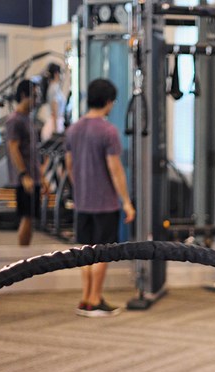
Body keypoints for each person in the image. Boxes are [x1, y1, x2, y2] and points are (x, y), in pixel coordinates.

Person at [64, 78, 135, 317]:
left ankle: (85, 298)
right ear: (108, 102)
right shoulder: (108, 131)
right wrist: (126, 201)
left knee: (85, 252)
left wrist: (81, 188)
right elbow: (115, 169)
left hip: (83, 202)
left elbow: (69, 165)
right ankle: (94, 300)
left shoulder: (74, 129)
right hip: (104, 204)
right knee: (101, 253)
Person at [5, 79, 47, 247]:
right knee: (26, 217)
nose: (36, 100)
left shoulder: (27, 119)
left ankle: (25, 252)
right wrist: (24, 176)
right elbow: (13, 148)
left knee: (30, 217)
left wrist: (41, 176)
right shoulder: (14, 120)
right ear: (24, 95)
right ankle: (22, 255)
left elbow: (33, 153)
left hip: (33, 176)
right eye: (34, 96)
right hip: (25, 178)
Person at [40, 63, 67, 141]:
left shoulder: (55, 87)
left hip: (57, 121)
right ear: (56, 74)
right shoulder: (54, 88)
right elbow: (55, 109)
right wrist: (55, 130)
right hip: (55, 123)